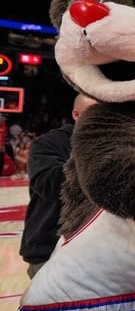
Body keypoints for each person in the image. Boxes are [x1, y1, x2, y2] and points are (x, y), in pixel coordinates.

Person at [19, 93, 98, 278]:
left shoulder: (117, 144)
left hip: (96, 251)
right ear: (76, 114)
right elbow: (49, 185)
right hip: (50, 249)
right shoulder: (48, 143)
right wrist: (96, 155)